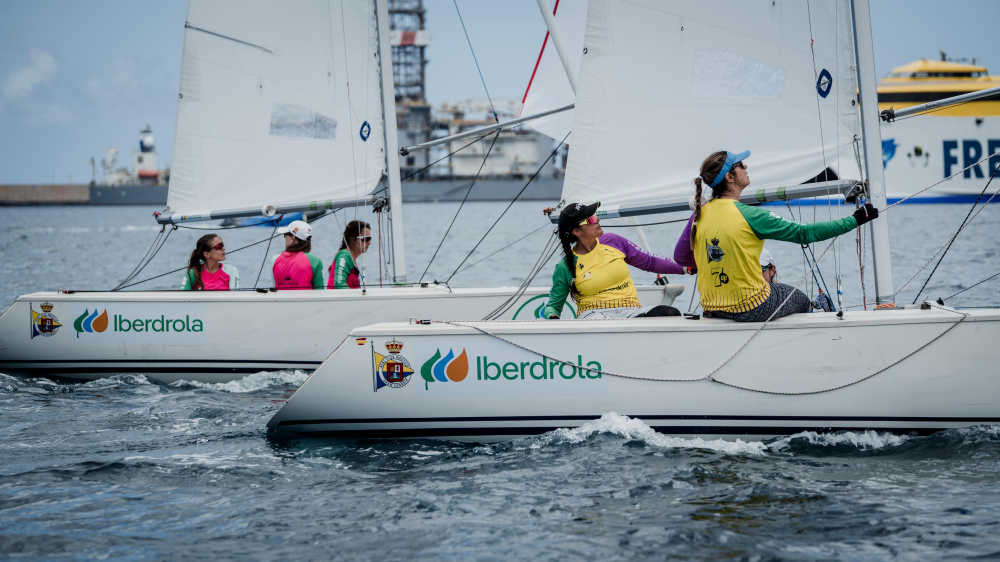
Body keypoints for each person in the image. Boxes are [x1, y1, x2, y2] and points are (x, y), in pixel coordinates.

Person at [673, 150, 879, 322]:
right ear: (729, 177)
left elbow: (681, 258)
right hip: (750, 307)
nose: (746, 167)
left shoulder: (699, 214)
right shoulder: (751, 214)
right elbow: (805, 233)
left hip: (711, 307)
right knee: (801, 299)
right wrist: (855, 219)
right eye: (741, 165)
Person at [544, 202, 690, 320]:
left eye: (595, 216)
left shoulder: (613, 241)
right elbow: (553, 307)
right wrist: (553, 318)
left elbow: (649, 262)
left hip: (630, 311)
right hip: (593, 316)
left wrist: (686, 268)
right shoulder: (564, 266)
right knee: (607, 325)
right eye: (592, 219)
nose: (598, 220)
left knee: (671, 314)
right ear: (577, 232)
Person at [272, 220, 324, 290]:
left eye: (285, 235)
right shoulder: (316, 261)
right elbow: (319, 292)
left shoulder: (275, 259)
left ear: (292, 238)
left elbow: (275, 288)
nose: (285, 238)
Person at [328, 221, 371, 289]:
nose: (369, 243)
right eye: (366, 239)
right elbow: (339, 284)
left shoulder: (350, 257)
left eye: (370, 238)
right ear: (352, 239)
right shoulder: (345, 256)